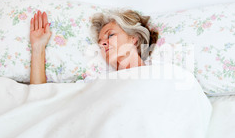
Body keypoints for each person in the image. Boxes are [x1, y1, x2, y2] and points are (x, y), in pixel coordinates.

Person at [29, 9, 159, 84]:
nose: (102, 44)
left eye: (110, 35)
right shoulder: (98, 83)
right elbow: (41, 101)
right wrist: (38, 48)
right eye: (100, 42)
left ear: (134, 40)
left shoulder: (163, 75)